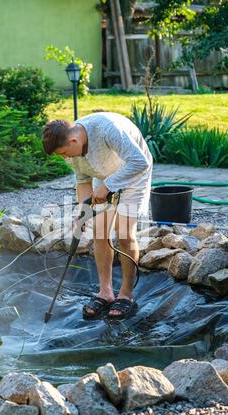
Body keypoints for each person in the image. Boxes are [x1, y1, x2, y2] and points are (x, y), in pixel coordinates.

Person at [42, 112, 153, 320]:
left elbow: (139, 162)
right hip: (102, 177)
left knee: (123, 234)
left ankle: (126, 295)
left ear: (74, 140)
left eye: (65, 153)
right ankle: (106, 292)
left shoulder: (107, 129)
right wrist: (83, 214)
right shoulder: (71, 150)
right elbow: (83, 181)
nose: (66, 158)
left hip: (134, 175)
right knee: (100, 232)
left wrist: (108, 186)